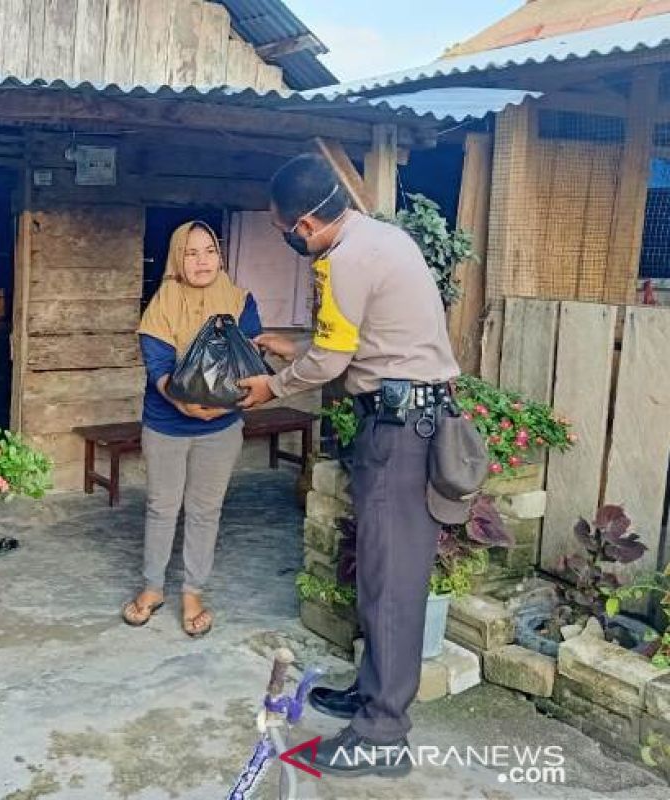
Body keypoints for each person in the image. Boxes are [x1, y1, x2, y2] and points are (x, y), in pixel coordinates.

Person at [239, 154, 461, 778]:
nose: (290, 239)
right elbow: (362, 341)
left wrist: (274, 385)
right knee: (382, 571)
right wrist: (295, 346)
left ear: (306, 223)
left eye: (285, 229)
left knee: (392, 580)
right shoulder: (380, 237)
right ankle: (372, 694)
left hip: (399, 432)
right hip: (405, 419)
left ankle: (383, 734)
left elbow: (333, 363)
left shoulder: (344, 260)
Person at [122, 221, 262, 638]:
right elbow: (159, 369)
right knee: (162, 508)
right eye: (191, 252)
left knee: (205, 510)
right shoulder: (163, 303)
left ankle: (193, 592)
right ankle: (152, 588)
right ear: (176, 258)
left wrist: (236, 401)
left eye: (209, 251)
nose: (202, 261)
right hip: (167, 423)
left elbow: (249, 360)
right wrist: (182, 402)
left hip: (222, 426)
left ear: (220, 255)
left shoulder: (239, 301)